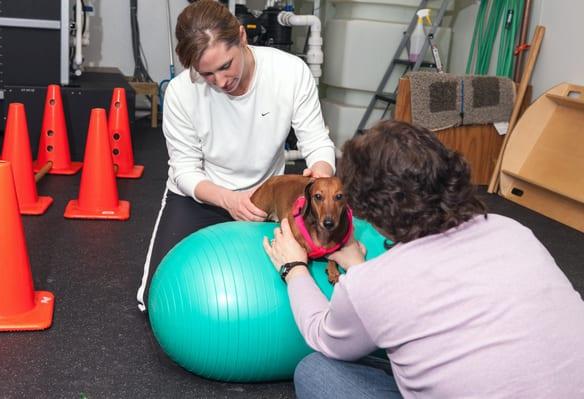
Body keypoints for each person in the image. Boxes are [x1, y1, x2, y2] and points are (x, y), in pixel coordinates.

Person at [263, 120, 584, 398]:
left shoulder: (373, 283)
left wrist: (295, 268)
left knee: (316, 370)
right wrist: (361, 270)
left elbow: (323, 335)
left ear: (370, 210)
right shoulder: (512, 230)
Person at [136, 0, 336, 311]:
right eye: (207, 74)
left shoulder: (290, 72)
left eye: (226, 65)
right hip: (202, 195)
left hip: (265, 198)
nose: (220, 81)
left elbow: (316, 141)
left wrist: (321, 173)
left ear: (241, 37)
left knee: (275, 298)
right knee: (156, 300)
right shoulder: (179, 93)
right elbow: (185, 171)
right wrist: (230, 200)